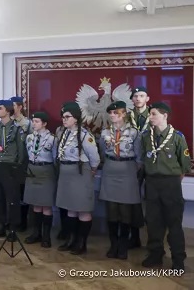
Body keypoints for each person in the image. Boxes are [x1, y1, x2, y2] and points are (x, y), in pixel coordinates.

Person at [140, 102, 190, 270]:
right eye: (150, 114)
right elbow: (143, 158)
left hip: (171, 184)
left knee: (174, 222)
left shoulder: (177, 137)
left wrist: (172, 180)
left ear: (165, 115)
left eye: (153, 114)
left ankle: (178, 258)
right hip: (152, 183)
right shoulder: (146, 137)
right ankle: (155, 254)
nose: (150, 117)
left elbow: (184, 165)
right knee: (153, 221)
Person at [54, 101, 100, 255]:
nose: (64, 119)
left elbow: (95, 158)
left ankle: (81, 243)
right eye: (63, 117)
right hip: (66, 172)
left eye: (67, 117)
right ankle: (71, 239)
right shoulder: (64, 133)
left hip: (80, 172)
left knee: (82, 209)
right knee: (70, 208)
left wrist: (92, 170)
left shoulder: (85, 135)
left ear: (76, 118)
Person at [98, 101, 142, 260]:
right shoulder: (105, 132)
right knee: (111, 210)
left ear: (124, 114)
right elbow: (102, 152)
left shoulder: (134, 133)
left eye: (116, 113)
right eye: (110, 113)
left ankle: (123, 245)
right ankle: (113, 244)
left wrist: (129, 168)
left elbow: (139, 157)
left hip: (127, 170)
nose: (112, 115)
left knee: (125, 211)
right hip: (110, 169)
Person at [0, 99, 27, 240]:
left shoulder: (17, 129)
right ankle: (0, 226)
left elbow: (21, 151)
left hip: (10, 167)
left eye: (0, 108)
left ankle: (12, 228)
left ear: (8, 111)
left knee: (12, 200)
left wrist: (18, 166)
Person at [23, 111, 56, 248]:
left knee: (46, 204)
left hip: (46, 170)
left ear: (44, 123)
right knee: (35, 203)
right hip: (32, 169)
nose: (34, 124)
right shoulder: (29, 137)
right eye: (33, 121)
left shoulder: (52, 139)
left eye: (37, 121)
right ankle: (36, 233)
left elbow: (55, 157)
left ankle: (46, 236)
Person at [127, 86, 150, 248]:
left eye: (141, 95)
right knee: (133, 199)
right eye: (135, 96)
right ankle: (134, 237)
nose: (138, 98)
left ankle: (154, 239)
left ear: (147, 98)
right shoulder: (127, 116)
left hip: (152, 162)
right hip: (133, 162)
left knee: (153, 200)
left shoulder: (154, 114)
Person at [11, 95, 32, 231]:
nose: (11, 108)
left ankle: (23, 221)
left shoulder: (27, 123)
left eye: (13, 105)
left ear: (20, 107)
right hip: (10, 162)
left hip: (23, 162)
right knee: (12, 193)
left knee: (22, 192)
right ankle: (12, 220)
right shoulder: (8, 122)